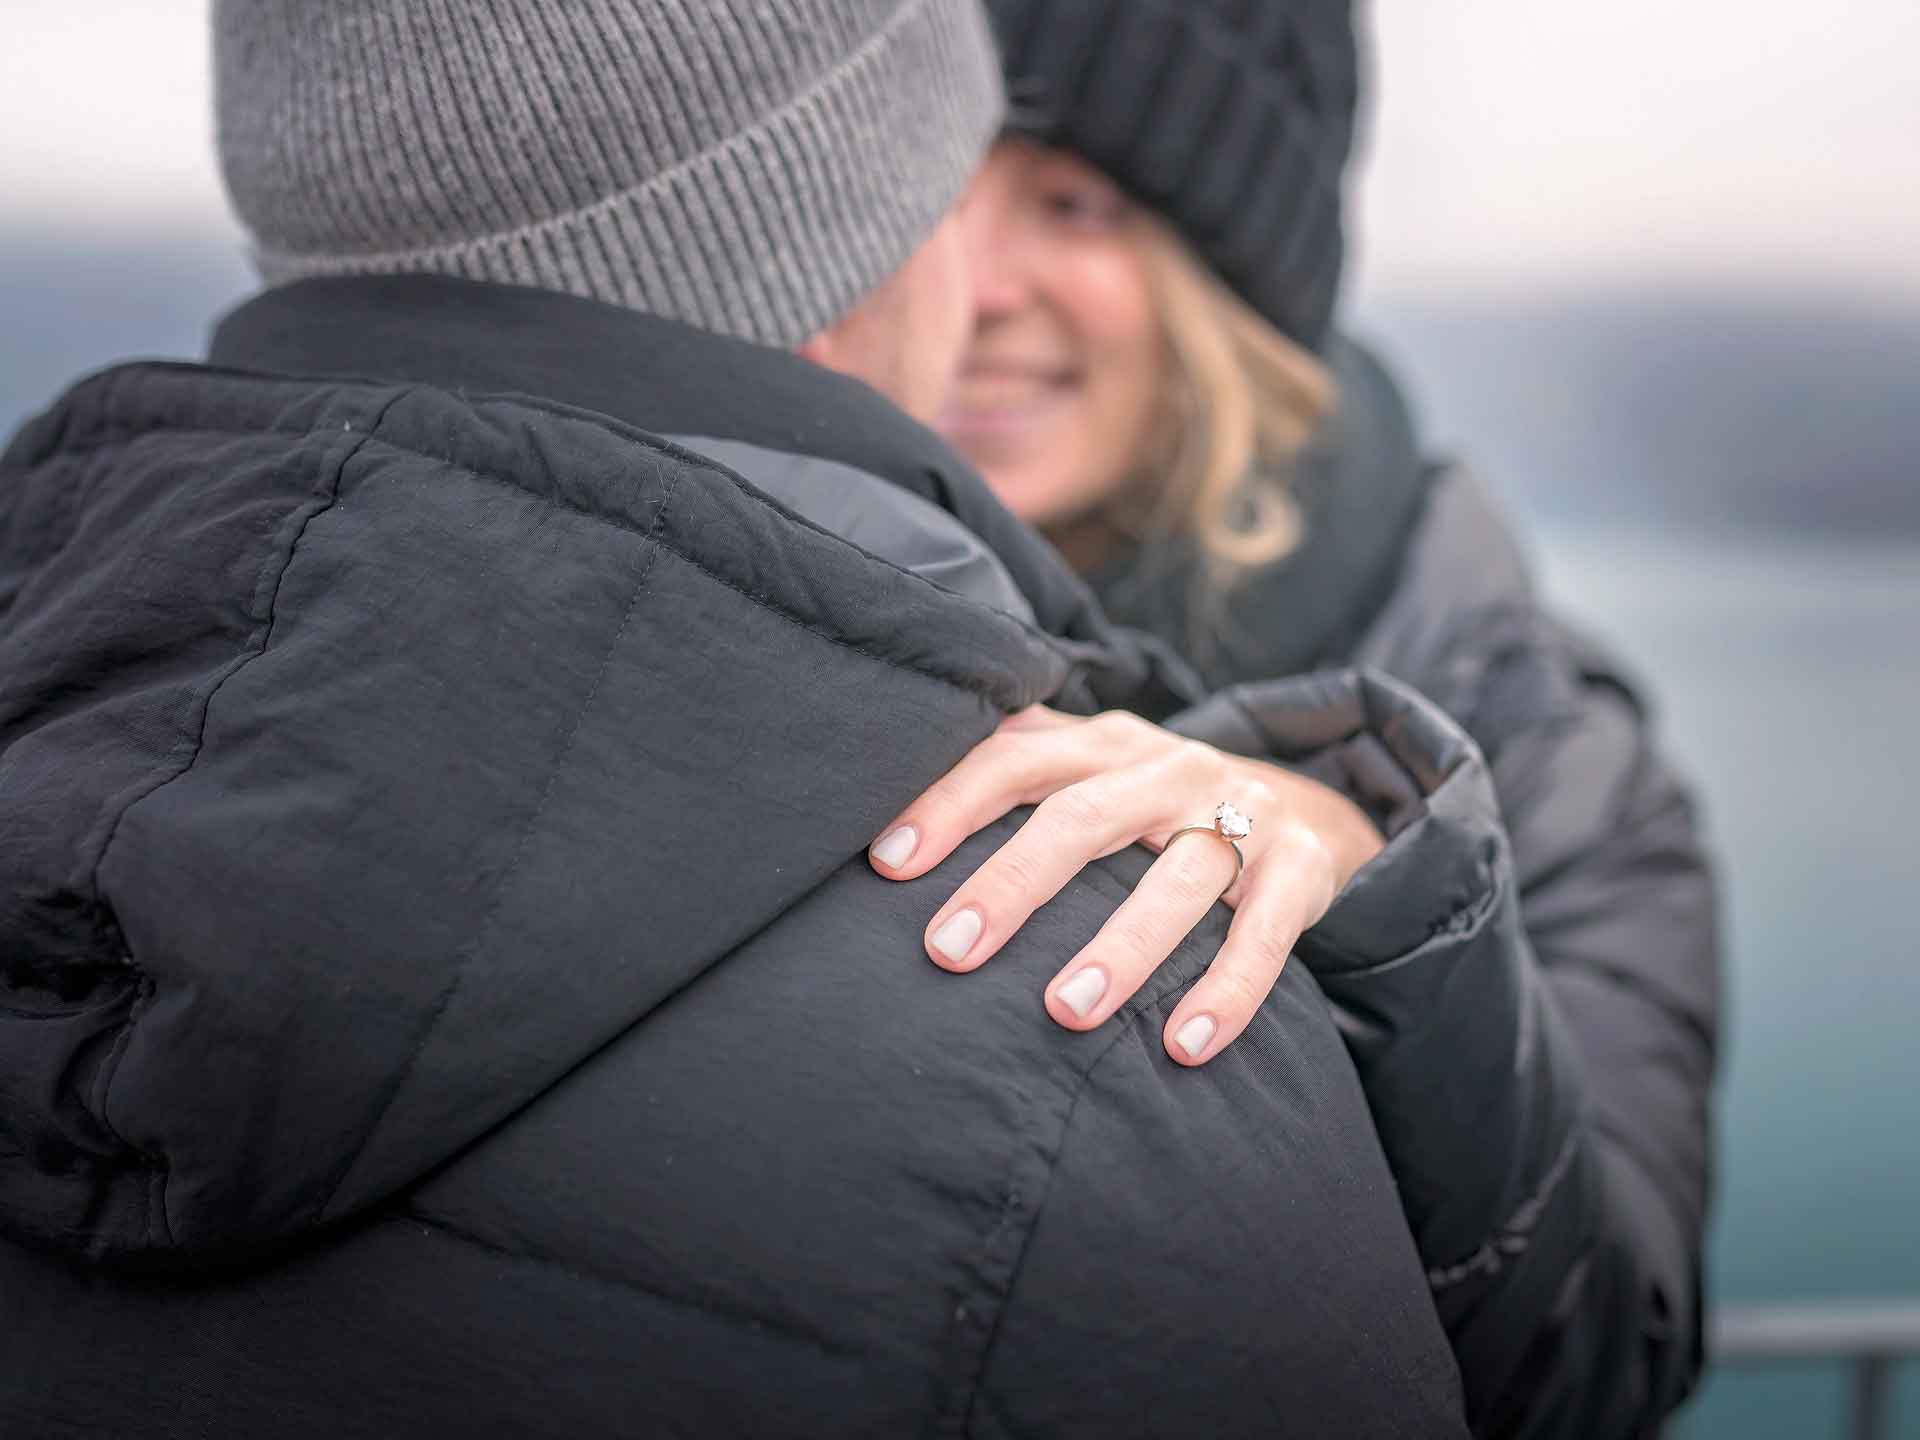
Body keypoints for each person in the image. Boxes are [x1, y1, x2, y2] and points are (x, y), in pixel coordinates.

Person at [0, 2, 1503, 1435]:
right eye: (963, 183)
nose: (990, 283)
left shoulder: (65, 696)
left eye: (1076, 207)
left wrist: (1344, 837)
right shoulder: (1121, 1042)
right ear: (848, 216)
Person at [864, 3, 1721, 1437]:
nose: (975, 279)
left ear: (1235, 292)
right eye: (929, 178)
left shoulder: (1549, 747)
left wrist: (1377, 861)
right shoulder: (779, 611)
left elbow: (1596, 1361)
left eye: (1076, 204)